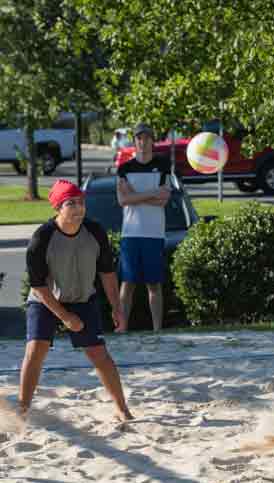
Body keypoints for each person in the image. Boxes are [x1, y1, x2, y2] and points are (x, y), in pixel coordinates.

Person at [20, 179, 133, 421]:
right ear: (58, 208)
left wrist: (117, 308)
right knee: (35, 349)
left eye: (82, 202)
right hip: (46, 300)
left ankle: (122, 409)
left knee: (99, 354)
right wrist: (65, 316)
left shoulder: (95, 231)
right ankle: (22, 410)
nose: (79, 208)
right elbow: (38, 285)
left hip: (83, 299)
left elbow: (108, 273)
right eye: (71, 203)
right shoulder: (42, 238)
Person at [117, 123, 171, 331]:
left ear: (152, 141)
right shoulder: (124, 168)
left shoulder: (163, 165)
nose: (143, 141)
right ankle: (122, 328)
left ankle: (157, 329)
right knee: (127, 284)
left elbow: (164, 199)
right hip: (130, 234)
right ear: (135, 141)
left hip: (154, 233)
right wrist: (151, 193)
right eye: (139, 138)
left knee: (154, 285)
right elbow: (122, 200)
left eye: (147, 138)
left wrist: (135, 196)